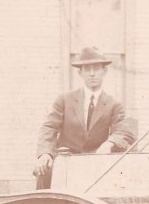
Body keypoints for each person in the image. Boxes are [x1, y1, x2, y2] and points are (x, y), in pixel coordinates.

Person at [34, 47, 136, 188]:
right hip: (66, 160)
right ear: (80, 73)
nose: (92, 74)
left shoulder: (114, 104)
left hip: (95, 162)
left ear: (104, 71)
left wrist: (108, 144)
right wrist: (45, 153)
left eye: (96, 68)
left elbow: (124, 131)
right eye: (87, 69)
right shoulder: (64, 100)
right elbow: (49, 127)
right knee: (45, 169)